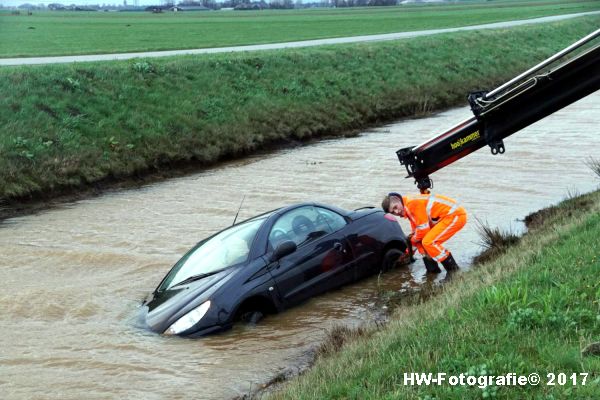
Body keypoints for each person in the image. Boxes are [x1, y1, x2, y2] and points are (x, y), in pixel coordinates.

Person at [382, 191, 467, 273]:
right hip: (446, 217)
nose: (397, 212)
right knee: (420, 242)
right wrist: (408, 253)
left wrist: (412, 240)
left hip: (455, 215)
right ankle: (433, 270)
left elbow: (423, 230)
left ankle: (453, 271)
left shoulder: (411, 204)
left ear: (398, 200)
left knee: (429, 242)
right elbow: (417, 234)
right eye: (393, 212)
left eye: (395, 207)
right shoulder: (408, 208)